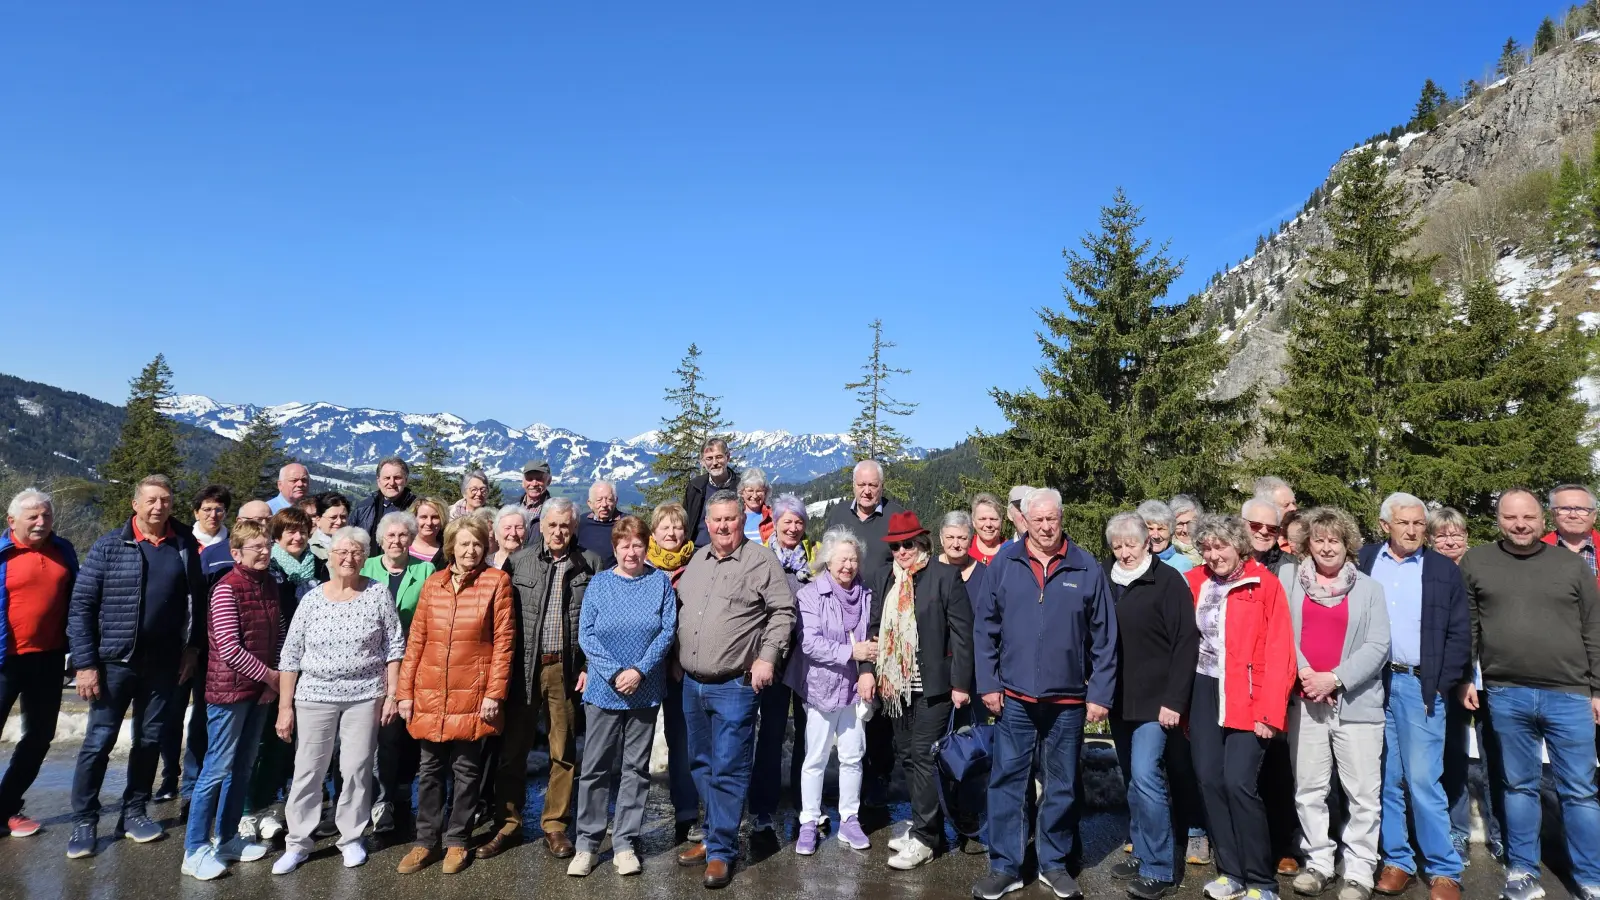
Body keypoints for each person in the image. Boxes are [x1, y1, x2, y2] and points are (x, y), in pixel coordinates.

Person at [1460, 488, 1600, 900]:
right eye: (1510, 517)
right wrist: (1467, 676)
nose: (1520, 524)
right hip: (1506, 693)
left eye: (1528, 517)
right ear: (1498, 519)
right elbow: (1469, 626)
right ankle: (1523, 872)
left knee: (1580, 790)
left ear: (1543, 519)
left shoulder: (1571, 566)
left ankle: (1591, 877)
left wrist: (1598, 688)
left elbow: (1594, 629)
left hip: (1570, 694)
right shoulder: (1477, 561)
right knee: (1518, 787)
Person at [972, 489, 1112, 899]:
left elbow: (1104, 638)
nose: (1047, 527)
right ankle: (1005, 866)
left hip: (1068, 700)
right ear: (1025, 522)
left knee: (1062, 784)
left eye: (1053, 519)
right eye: (1038, 521)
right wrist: (989, 682)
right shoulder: (1005, 562)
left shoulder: (1085, 566)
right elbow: (985, 629)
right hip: (1014, 698)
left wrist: (1099, 693)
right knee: (1007, 783)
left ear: (1061, 518)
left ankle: (1053, 862)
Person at [67, 475, 207, 859]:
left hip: (164, 664)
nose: (159, 506)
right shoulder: (110, 546)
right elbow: (80, 607)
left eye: (165, 500)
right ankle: (85, 820)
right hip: (114, 663)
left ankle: (134, 812)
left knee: (150, 740)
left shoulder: (183, 547)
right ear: (135, 504)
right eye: (151, 500)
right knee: (99, 741)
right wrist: (85, 664)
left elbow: (197, 603)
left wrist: (192, 650)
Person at [673, 489, 796, 889]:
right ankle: (711, 837)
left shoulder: (761, 561)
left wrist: (768, 657)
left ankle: (723, 851)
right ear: (707, 524)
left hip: (734, 685)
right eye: (717, 520)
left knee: (728, 768)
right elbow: (684, 612)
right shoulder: (698, 559)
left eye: (730, 519)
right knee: (702, 764)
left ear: (741, 520)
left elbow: (783, 612)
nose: (723, 526)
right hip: (693, 683)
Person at [270, 527, 405, 874]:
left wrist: (392, 694)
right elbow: (290, 655)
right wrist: (285, 708)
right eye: (342, 552)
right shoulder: (312, 599)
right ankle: (298, 843)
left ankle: (351, 838)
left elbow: (394, 647)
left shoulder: (377, 594)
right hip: (315, 696)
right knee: (308, 772)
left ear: (365, 557)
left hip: (364, 697)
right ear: (329, 557)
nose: (348, 558)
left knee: (357, 770)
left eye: (356, 552)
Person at [1361, 494, 1469, 900]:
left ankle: (1443, 869)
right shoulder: (1365, 560)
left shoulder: (1440, 568)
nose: (1411, 530)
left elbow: (1460, 633)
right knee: (1385, 778)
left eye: (1418, 524)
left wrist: (1441, 684)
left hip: (1419, 685)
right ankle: (1397, 861)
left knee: (1423, 779)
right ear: (1385, 524)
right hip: (1373, 684)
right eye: (1403, 522)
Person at [1182, 514, 1296, 900]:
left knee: (1239, 783)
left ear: (1239, 545)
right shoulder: (1194, 581)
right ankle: (1230, 872)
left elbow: (1281, 651)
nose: (1214, 555)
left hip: (1249, 693)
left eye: (1221, 546)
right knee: (1210, 781)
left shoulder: (1265, 584)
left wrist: (1270, 712)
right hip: (1203, 689)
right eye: (1207, 548)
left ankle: (1261, 881)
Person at [480, 497, 599, 861]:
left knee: (562, 751)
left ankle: (555, 825)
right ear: (541, 527)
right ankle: (508, 823)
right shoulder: (520, 560)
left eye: (565, 525)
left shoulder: (590, 563)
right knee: (513, 750)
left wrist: (587, 666)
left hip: (564, 668)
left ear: (573, 527)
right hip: (523, 668)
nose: (559, 531)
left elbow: (597, 620)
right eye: (553, 525)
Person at [395, 516, 514, 876]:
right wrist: (405, 692)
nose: (470, 550)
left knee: (466, 770)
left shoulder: (497, 582)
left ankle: (457, 840)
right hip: (430, 690)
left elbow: (504, 644)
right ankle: (425, 841)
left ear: (485, 546)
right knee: (429, 769)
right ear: (451, 547)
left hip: (473, 691)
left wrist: (495, 692)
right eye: (463, 544)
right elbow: (416, 641)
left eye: (477, 543)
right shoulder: (434, 584)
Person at [1281, 508, 1390, 900]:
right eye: (1319, 539)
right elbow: (1282, 632)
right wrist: (1309, 676)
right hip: (1306, 700)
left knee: (1362, 793)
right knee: (1309, 788)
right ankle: (1319, 862)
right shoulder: (1289, 579)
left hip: (1356, 703)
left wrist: (1336, 678)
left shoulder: (1369, 588)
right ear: (1307, 543)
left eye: (1335, 540)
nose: (1327, 547)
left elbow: (1378, 645)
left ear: (1348, 545)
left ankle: (1359, 870)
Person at [567, 516, 677, 877]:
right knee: (595, 767)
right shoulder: (599, 584)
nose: (632, 551)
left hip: (644, 691)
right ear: (614, 549)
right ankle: (586, 843)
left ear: (647, 546)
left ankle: (625, 842)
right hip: (603, 689)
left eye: (638, 544)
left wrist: (639, 671)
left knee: (635, 769)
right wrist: (616, 673)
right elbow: (588, 635)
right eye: (624, 545)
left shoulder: (659, 582)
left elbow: (666, 631)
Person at [1101, 512, 1198, 900]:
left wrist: (1175, 700)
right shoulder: (1106, 578)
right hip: (1118, 699)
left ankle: (1160, 868)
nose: (1124, 553)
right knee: (1133, 782)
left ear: (1148, 542)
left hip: (1156, 701)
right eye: (1117, 546)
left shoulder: (1168, 581)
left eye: (1131, 544)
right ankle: (1141, 853)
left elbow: (1186, 642)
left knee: (1146, 777)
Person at [181, 521, 283, 880]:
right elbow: (228, 646)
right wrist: (270, 676)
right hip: (229, 693)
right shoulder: (227, 588)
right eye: (255, 547)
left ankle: (226, 839)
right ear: (236, 553)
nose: (264, 551)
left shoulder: (268, 583)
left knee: (243, 766)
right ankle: (194, 849)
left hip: (260, 690)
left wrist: (275, 680)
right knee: (216, 769)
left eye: (267, 545)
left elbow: (279, 632)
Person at [786, 526, 875, 856]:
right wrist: (852, 653)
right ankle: (809, 821)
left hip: (854, 688)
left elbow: (871, 640)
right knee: (816, 757)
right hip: (821, 688)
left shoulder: (865, 595)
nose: (848, 566)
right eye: (841, 559)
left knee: (853, 756)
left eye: (853, 559)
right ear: (827, 561)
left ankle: (849, 819)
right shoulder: (810, 594)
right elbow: (810, 643)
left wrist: (866, 664)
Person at [821, 460, 905, 806]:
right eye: (861, 485)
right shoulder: (839, 514)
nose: (867, 491)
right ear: (853, 486)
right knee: (850, 695)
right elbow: (826, 561)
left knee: (880, 701)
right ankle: (850, 779)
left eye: (873, 485)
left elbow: (909, 560)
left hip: (885, 621)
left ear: (881, 486)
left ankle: (879, 780)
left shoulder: (896, 515)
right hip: (845, 617)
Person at [0, 489, 78, 838]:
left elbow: (78, 600)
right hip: (4, 660)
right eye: (32, 516)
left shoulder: (63, 551)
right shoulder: (2, 554)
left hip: (48, 659)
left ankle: (7, 806)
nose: (41, 522)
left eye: (46, 515)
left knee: (40, 735)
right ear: (11, 521)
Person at [1428, 509, 1502, 862]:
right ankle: (1456, 832)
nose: (1450, 541)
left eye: (1456, 533)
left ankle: (1500, 833)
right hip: (1452, 677)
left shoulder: (1483, 568)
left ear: (1467, 535)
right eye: (1441, 535)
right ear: (1431, 539)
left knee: (1496, 757)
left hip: (1492, 675)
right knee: (1453, 756)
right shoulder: (1428, 572)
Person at [360, 511, 435, 835]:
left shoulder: (425, 569)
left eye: (403, 535)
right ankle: (361, 801)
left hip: (409, 663)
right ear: (380, 540)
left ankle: (388, 799)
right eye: (390, 536)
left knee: (394, 735)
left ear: (411, 539)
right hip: (367, 663)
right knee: (361, 736)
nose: (396, 541)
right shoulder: (367, 567)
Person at [1242, 496, 1302, 876]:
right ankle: (1242, 846)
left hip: (1281, 679)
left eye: (1272, 528)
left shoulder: (1293, 568)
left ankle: (1282, 845)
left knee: (1280, 769)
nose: (1264, 533)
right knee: (1242, 772)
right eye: (1256, 527)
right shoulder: (1226, 562)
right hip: (1239, 681)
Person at [749, 493, 813, 843]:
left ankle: (807, 806)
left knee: (807, 735)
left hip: (805, 659)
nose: (793, 527)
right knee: (771, 734)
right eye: (787, 520)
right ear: (775, 523)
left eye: (798, 521)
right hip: (772, 656)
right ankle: (763, 810)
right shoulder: (761, 558)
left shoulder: (814, 559)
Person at [647, 501, 704, 844]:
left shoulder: (697, 566)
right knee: (636, 744)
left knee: (682, 742)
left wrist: (680, 657)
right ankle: (628, 819)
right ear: (654, 532)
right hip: (644, 668)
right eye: (665, 527)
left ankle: (686, 813)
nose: (671, 533)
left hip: (682, 668)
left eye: (678, 527)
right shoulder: (642, 565)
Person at [350, 457, 418, 550]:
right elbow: (349, 540)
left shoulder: (417, 508)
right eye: (387, 478)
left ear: (406, 480)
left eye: (397, 478)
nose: (391, 482)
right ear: (379, 481)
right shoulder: (363, 509)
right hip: (369, 563)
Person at [684, 438, 740, 548]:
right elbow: (684, 520)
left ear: (727, 457)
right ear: (702, 462)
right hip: (697, 550)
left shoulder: (740, 488)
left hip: (731, 550)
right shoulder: (695, 487)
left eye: (719, 457)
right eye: (709, 458)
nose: (714, 463)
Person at [202, 500, 272, 582]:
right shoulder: (212, 554)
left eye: (269, 520)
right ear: (239, 521)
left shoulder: (274, 550)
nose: (264, 524)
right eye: (258, 520)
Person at [1546, 483, 1600, 587]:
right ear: (1553, 515)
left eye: (1581, 509)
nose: (1573, 515)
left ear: (1594, 516)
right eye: (1565, 509)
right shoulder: (1535, 551)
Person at [1138, 499, 1195, 574]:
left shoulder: (1181, 564)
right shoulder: (1133, 560)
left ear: (1170, 531)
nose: (1156, 536)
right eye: (1150, 529)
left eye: (1161, 529)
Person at [577, 480, 621, 570]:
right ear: (590, 503)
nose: (604, 504)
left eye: (609, 500)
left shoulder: (627, 523)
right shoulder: (580, 522)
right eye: (599, 500)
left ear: (616, 501)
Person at [308, 491, 351, 562]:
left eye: (343, 517)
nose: (339, 522)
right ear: (318, 520)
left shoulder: (356, 545)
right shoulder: (309, 549)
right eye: (333, 517)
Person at [969, 493, 1007, 565]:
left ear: (1001, 521)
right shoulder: (965, 547)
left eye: (993, 519)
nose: (988, 524)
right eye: (982, 519)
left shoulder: (1010, 549)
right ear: (973, 522)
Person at [739, 468, 774, 544]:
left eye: (759, 491)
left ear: (765, 493)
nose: (754, 496)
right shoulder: (735, 516)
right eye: (750, 491)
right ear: (742, 492)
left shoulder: (772, 516)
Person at [409, 498, 448, 566]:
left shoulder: (447, 552)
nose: (429, 523)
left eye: (434, 517)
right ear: (414, 518)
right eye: (424, 517)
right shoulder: (403, 546)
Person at [1170, 495, 1205, 568]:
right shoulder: (1167, 552)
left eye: (1190, 523)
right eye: (1180, 524)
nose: (1185, 530)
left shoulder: (1210, 549)